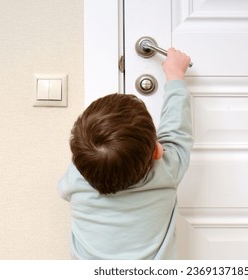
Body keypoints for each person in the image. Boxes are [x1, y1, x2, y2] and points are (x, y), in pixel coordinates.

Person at [57, 48, 193, 259]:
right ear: (157, 151)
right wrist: (175, 76)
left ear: (78, 160)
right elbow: (177, 131)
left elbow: (69, 184)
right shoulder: (167, 170)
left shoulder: (76, 178)